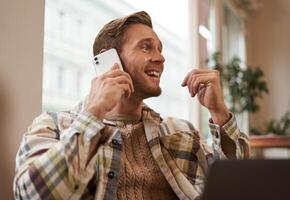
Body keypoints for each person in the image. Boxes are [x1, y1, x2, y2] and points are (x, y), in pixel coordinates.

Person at [14, 11, 249, 200]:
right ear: (109, 61)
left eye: (160, 49)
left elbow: (238, 188)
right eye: (146, 47)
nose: (161, 58)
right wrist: (94, 112)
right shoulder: (54, 127)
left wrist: (219, 112)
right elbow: (32, 194)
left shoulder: (181, 132)